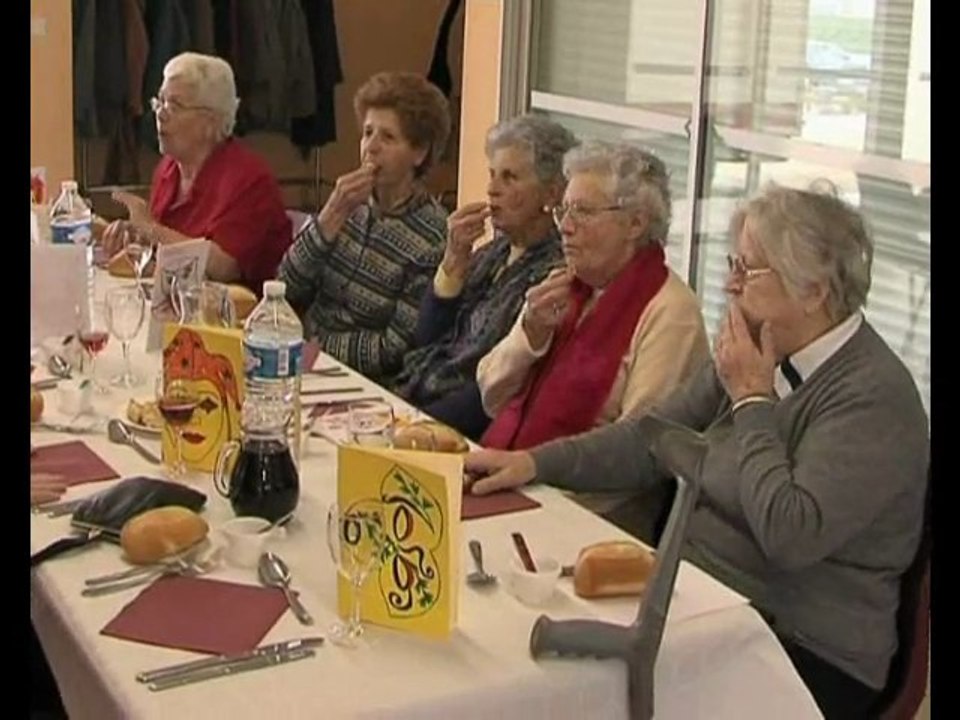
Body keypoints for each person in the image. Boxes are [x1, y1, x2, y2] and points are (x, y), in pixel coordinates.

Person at [463, 185, 929, 719]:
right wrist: (534, 462)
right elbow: (651, 438)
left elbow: (790, 533)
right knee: (518, 663)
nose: (730, 284)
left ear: (814, 292)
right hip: (696, 602)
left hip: (800, 649)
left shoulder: (872, 398)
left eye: (749, 271)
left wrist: (753, 401)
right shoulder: (762, 346)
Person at [477, 140, 709, 458]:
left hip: (585, 500)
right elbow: (490, 394)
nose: (566, 228)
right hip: (516, 467)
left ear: (636, 223)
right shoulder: (567, 285)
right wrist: (531, 333)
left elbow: (638, 449)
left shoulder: (672, 312)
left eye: (584, 212)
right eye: (563, 211)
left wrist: (532, 467)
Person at [390, 114, 576, 439]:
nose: (492, 190)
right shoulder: (494, 251)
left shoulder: (554, 273)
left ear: (552, 193)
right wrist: (454, 261)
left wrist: (415, 425)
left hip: (461, 430)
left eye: (510, 178)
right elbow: (426, 340)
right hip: (412, 398)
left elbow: (498, 392)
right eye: (492, 175)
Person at [277, 72, 452, 382]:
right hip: (303, 360)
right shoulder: (348, 203)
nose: (371, 147)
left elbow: (396, 349)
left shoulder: (432, 237)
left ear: (419, 152)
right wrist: (331, 215)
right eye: (367, 132)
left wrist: (313, 346)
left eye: (387, 137)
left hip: (363, 381)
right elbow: (286, 284)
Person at [99, 52, 293, 293]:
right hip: (179, 305)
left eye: (174, 105)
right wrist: (133, 238)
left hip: (238, 318)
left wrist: (149, 228)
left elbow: (222, 268)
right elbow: (165, 254)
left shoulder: (249, 179)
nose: (160, 114)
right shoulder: (168, 169)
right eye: (159, 102)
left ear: (211, 122)